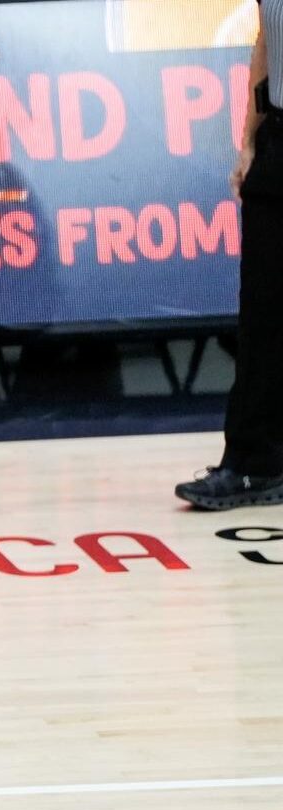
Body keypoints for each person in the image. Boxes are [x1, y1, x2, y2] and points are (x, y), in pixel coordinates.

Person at [177, 2, 283, 510]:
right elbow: (267, 42)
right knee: (262, 316)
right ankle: (252, 464)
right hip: (280, 139)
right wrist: (249, 138)